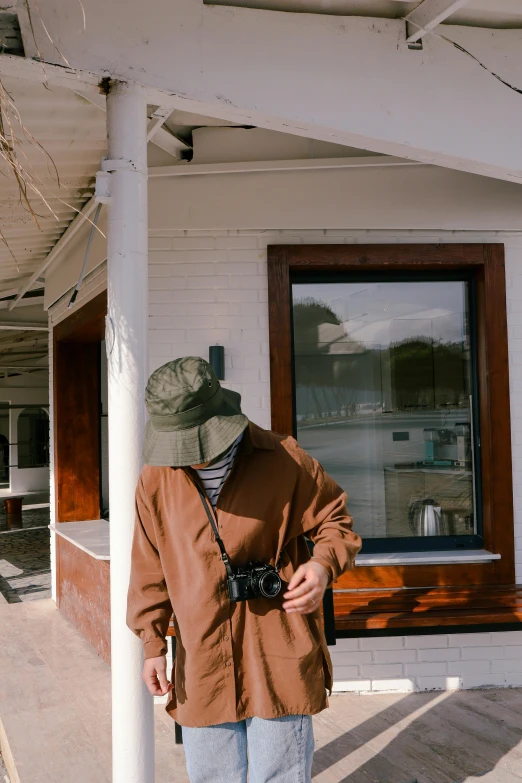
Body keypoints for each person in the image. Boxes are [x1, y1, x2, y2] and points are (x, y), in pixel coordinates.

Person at [126, 356, 361, 783]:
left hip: (280, 648)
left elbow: (336, 521)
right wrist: (152, 645)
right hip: (202, 657)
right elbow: (149, 566)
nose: (189, 457)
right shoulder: (154, 479)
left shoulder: (285, 458)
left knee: (281, 776)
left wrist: (322, 566)